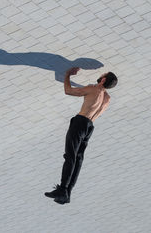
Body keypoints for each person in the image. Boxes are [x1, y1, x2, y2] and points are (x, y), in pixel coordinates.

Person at [44, 67, 118, 204]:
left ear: (103, 79)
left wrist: (67, 75)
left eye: (102, 75)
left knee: (70, 157)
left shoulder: (93, 88)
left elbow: (68, 91)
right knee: (78, 159)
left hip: (80, 123)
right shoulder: (107, 99)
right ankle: (67, 193)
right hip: (90, 127)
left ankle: (62, 189)